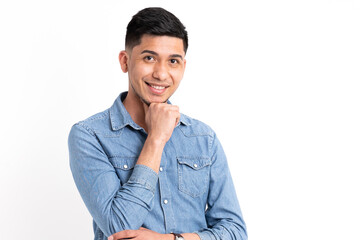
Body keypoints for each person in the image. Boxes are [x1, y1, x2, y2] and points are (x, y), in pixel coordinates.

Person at [68, 7, 247, 240]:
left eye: (173, 61)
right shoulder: (90, 136)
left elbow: (235, 231)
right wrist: (156, 139)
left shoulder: (203, 138)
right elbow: (118, 225)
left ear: (183, 66)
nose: (162, 74)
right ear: (125, 61)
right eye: (149, 58)